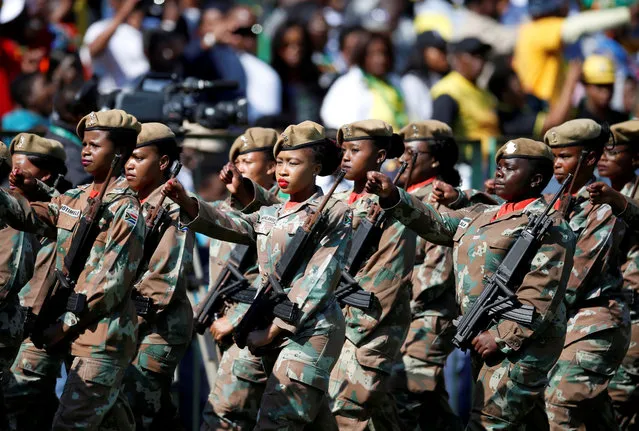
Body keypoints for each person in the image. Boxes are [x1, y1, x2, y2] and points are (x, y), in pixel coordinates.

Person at [365, 137, 575, 429]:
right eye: (499, 166)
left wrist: (501, 337)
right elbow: (437, 223)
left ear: (536, 179)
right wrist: (393, 196)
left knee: (487, 421)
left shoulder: (548, 225)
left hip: (519, 344)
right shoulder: (483, 214)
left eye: (510, 168)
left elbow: (542, 294)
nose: (499, 173)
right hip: (481, 333)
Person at [164, 121, 352, 429]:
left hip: (309, 330)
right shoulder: (271, 212)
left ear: (317, 166)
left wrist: (275, 330)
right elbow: (228, 222)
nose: (283, 170)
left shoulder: (333, 211)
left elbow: (319, 277)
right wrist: (187, 202)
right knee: (228, 410)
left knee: (277, 422)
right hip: (264, 324)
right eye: (280, 162)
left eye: (293, 162)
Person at [0, 109, 144, 430]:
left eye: (95, 145)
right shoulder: (78, 197)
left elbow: (111, 282)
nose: (86, 151)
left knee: (69, 424)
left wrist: (63, 327)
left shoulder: (125, 207)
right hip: (76, 335)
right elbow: (31, 216)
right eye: (84, 144)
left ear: (119, 153)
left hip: (100, 338)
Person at [316, 120, 415, 430]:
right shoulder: (339, 202)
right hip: (333, 324)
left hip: (366, 329)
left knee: (345, 414)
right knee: (377, 417)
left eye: (355, 150)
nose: (345, 157)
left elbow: (388, 275)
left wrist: (349, 328)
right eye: (343, 150)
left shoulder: (392, 204)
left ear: (380, 155)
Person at [543, 118, 631, 430]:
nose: (556, 165)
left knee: (558, 404)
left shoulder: (603, 207)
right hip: (564, 323)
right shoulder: (554, 205)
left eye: (564, 156)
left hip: (595, 323)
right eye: (554, 157)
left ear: (589, 158)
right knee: (594, 416)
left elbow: (574, 279)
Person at [376, 120, 463, 430]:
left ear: (436, 159)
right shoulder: (396, 194)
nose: (401, 161)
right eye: (401, 154)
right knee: (429, 404)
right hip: (397, 313)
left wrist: (393, 297)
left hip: (425, 315)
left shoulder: (442, 200)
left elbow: (438, 271)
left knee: (406, 396)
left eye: (411, 153)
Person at [200, 127, 281, 430]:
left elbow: (278, 274)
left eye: (247, 161)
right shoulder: (225, 210)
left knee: (223, 417)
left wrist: (235, 318)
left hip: (256, 327)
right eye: (236, 162)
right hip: (226, 329)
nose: (238, 169)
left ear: (272, 166)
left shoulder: (284, 212)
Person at [120, 123, 193, 429]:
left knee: (141, 403)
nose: (128, 164)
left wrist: (123, 321)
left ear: (163, 162)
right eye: (127, 157)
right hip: (125, 323)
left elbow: (163, 279)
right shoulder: (126, 201)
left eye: (138, 157)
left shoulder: (174, 208)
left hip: (155, 327)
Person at [0, 135, 66, 427]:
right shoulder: (9, 209)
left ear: (46, 174)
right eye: (9, 168)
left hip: (38, 333)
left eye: (20, 168)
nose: (13, 176)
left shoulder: (65, 214)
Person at [583, 120, 639, 427]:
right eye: (601, 151)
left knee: (618, 399)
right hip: (607, 315)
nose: (603, 157)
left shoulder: (619, 196)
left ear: (636, 159)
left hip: (635, 311)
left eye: (613, 151)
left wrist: (617, 201)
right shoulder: (594, 195)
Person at [513, 0, 639, 103]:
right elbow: (577, 26)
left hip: (540, 105)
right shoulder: (540, 29)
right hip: (541, 108)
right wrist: (627, 14)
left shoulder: (528, 30)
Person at [321, 32, 408, 130]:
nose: (380, 59)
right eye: (373, 54)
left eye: (384, 53)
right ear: (362, 55)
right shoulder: (347, 84)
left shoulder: (394, 82)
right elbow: (334, 120)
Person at [430, 37, 498, 145]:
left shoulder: (486, 94)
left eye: (482, 56)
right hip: (468, 160)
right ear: (458, 58)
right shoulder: (448, 90)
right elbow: (439, 136)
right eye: (473, 56)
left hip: (493, 158)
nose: (480, 61)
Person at [488, 60, 581, 138]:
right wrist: (571, 81)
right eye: (517, 86)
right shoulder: (510, 121)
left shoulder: (528, 102)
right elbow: (555, 122)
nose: (522, 89)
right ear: (505, 94)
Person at [80, 0, 150, 93]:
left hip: (143, 96)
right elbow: (93, 51)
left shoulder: (147, 31)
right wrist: (124, 13)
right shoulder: (99, 28)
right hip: (110, 97)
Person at [46, 78, 97, 187]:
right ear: (79, 116)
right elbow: (80, 190)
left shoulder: (56, 135)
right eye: (93, 110)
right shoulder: (68, 152)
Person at [271, 22, 325, 123]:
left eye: (300, 44)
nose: (294, 50)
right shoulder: (270, 79)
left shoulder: (317, 79)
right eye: (286, 45)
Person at [400, 31, 449, 122]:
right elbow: (415, 119)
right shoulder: (411, 81)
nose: (444, 55)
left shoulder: (439, 78)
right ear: (423, 51)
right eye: (439, 50)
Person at [576, 55, 629, 125]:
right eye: (599, 86)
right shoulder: (578, 123)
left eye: (609, 85)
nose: (606, 91)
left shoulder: (622, 120)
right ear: (585, 85)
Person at [2, 72, 53, 139]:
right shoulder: (17, 120)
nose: (51, 88)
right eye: (44, 85)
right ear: (29, 97)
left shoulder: (46, 118)